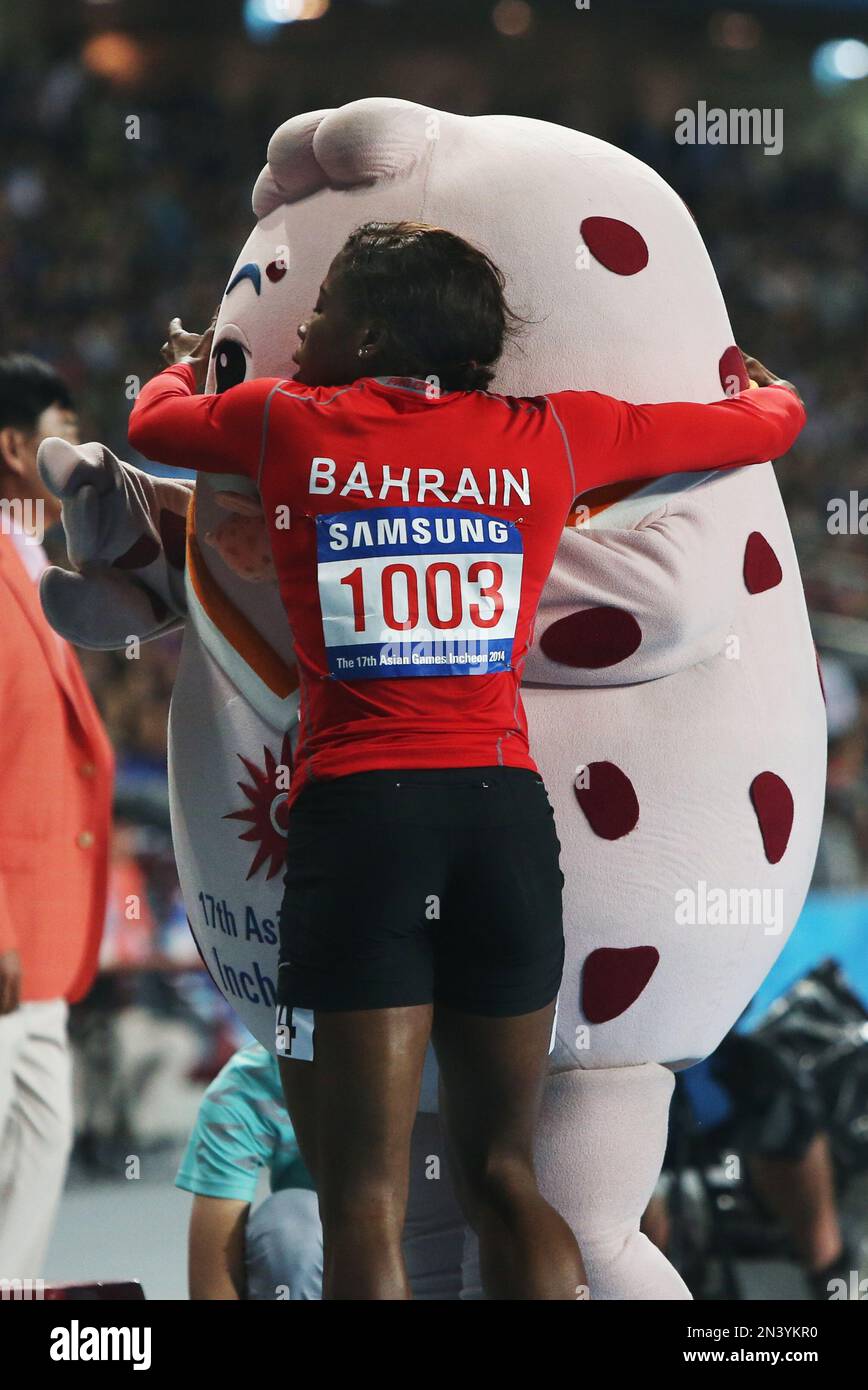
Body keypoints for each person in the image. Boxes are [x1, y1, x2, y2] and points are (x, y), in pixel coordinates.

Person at [124, 220, 805, 1300]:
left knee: (362, 1201)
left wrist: (188, 352)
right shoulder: (548, 434)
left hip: (359, 822)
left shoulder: (286, 424)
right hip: (501, 821)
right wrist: (765, 394)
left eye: (328, 303)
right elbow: (759, 427)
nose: (304, 324)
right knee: (503, 1172)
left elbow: (153, 420)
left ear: (377, 330)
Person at [0, 354, 114, 1278]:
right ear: (12, 445)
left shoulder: (32, 559)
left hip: (41, 943)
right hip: (9, 932)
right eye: (63, 426)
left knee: (42, 1138)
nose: (76, 448)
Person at [177, 1043, 321, 1300]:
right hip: (326, 1257)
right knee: (290, 1228)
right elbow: (213, 1288)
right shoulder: (243, 1086)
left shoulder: (417, 1071)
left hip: (412, 1251)